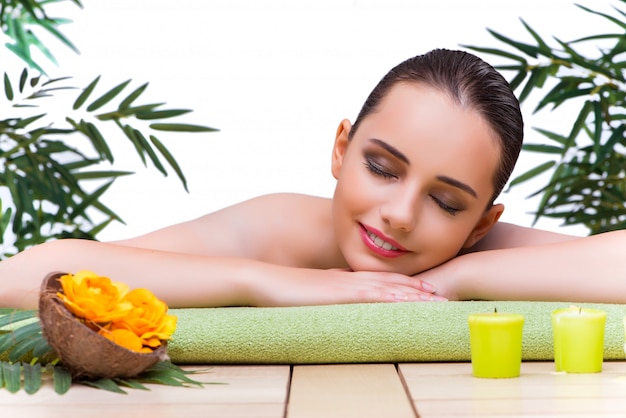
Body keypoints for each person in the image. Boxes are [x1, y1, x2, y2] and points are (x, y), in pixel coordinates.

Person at [1, 49, 625, 310]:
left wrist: (457, 276)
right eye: (381, 167)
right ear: (341, 148)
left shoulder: (474, 248)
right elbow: (31, 273)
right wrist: (266, 283)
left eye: (445, 201)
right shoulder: (277, 229)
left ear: (482, 221)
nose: (401, 214)